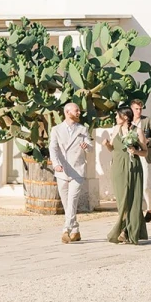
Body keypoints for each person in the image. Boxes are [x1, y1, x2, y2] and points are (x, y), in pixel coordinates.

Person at [49, 102, 91, 243]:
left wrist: (86, 146)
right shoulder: (56, 129)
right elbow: (53, 148)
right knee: (67, 203)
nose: (79, 112)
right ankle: (76, 230)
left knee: (72, 200)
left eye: (79, 110)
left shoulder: (83, 129)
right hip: (62, 170)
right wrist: (56, 164)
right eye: (76, 110)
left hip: (77, 170)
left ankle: (66, 230)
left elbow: (90, 147)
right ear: (67, 112)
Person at [104, 107, 148, 244]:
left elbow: (145, 152)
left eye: (117, 116)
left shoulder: (137, 131)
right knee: (121, 200)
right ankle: (125, 228)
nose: (115, 118)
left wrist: (136, 151)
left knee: (133, 199)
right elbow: (112, 148)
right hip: (118, 167)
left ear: (125, 117)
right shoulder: (116, 129)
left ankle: (127, 231)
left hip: (133, 166)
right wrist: (106, 144)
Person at [132, 98, 151, 223]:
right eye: (136, 109)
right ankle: (136, 210)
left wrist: (147, 141)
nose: (139, 111)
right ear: (132, 109)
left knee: (145, 184)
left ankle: (149, 208)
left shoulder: (148, 121)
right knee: (134, 184)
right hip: (132, 155)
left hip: (145, 155)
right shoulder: (128, 122)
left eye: (140, 109)